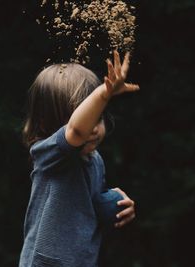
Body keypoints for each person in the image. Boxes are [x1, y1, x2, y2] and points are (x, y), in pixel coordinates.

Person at [19, 51, 139, 267]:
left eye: (98, 116)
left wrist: (117, 204)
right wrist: (104, 93)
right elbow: (76, 131)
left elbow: (89, 205)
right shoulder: (48, 153)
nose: (92, 128)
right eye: (87, 117)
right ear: (47, 124)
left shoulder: (95, 160)